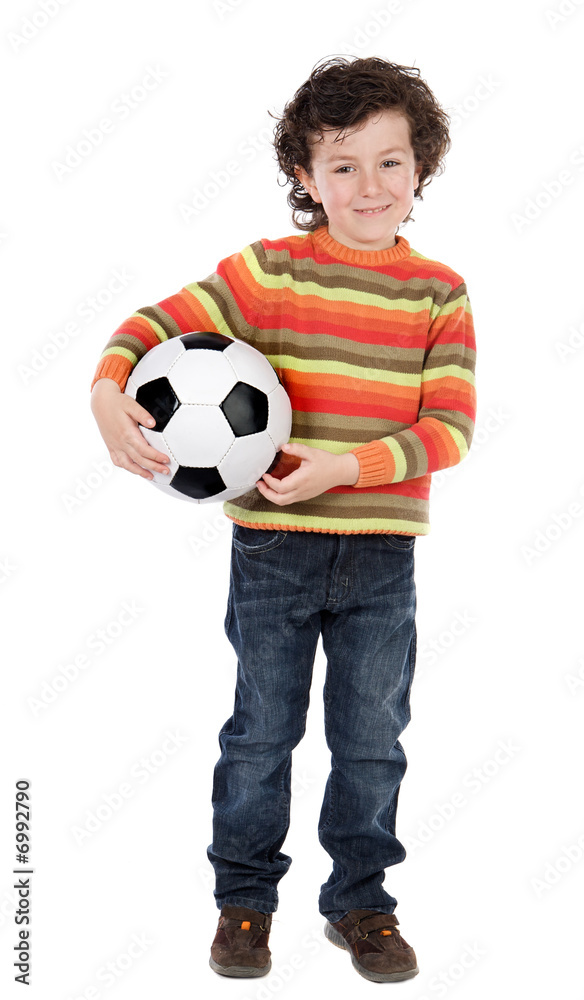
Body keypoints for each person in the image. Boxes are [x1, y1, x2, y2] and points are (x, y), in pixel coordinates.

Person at [89, 54, 477, 984]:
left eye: (389, 162)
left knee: (372, 736)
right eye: (341, 166)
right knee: (261, 731)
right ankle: (243, 903)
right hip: (272, 547)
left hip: (382, 552)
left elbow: (449, 428)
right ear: (304, 178)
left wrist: (347, 467)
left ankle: (361, 903)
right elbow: (150, 322)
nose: (368, 185)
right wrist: (108, 392)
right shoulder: (266, 275)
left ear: (420, 167)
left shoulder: (439, 292)